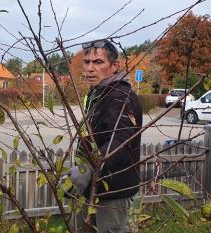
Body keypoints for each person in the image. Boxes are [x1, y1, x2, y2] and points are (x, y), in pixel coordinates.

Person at [69, 39, 142, 233]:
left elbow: (119, 143)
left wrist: (87, 169)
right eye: (87, 62)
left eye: (98, 62)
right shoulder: (97, 94)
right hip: (95, 188)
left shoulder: (121, 96)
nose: (90, 68)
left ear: (114, 66)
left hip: (114, 194)